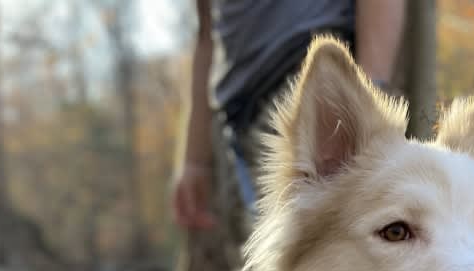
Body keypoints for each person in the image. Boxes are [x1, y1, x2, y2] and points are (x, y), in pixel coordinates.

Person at [172, 0, 406, 231]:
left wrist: (370, 93)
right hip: (233, 119)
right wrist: (195, 159)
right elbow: (206, 32)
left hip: (310, 80)